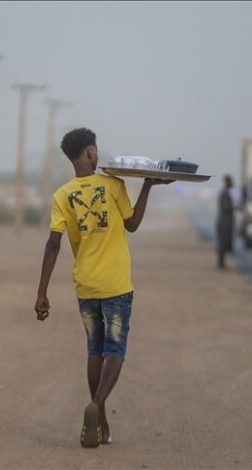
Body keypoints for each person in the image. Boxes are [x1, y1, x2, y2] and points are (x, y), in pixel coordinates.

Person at [33, 128, 170, 449]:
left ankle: (103, 422)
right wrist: (148, 187)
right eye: (95, 150)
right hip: (116, 284)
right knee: (115, 350)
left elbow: (52, 245)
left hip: (85, 284)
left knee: (94, 349)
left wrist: (42, 293)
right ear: (91, 154)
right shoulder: (113, 184)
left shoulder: (61, 196)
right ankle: (96, 405)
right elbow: (132, 224)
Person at [216, 175, 235, 269]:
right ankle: (221, 264)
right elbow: (226, 207)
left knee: (224, 244)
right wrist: (235, 207)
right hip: (224, 223)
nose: (233, 183)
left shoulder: (226, 193)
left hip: (225, 222)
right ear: (227, 182)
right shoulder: (224, 193)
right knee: (222, 244)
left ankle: (222, 263)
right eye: (231, 181)